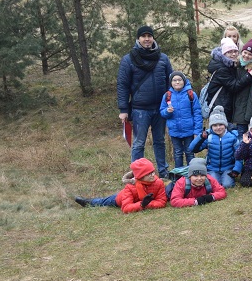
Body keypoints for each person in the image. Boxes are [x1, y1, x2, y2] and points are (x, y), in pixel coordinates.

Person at [117, 25, 173, 178]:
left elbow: (171, 82)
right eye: (144, 36)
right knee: (139, 143)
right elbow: (122, 85)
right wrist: (123, 110)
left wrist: (170, 102)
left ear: (153, 38)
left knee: (160, 141)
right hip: (139, 109)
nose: (147, 39)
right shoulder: (128, 59)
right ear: (138, 39)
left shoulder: (163, 58)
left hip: (160, 109)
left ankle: (163, 172)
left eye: (149, 36)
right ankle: (138, 175)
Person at [74, 158, 167, 213]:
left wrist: (147, 204)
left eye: (153, 172)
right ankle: (88, 202)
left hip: (135, 201)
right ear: (140, 176)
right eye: (148, 174)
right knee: (103, 201)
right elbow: (125, 208)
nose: (152, 175)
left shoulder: (158, 182)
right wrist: (142, 204)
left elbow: (162, 202)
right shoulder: (130, 187)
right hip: (120, 199)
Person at [206, 37, 252, 130]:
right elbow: (234, 86)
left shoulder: (230, 64)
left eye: (235, 51)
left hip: (225, 105)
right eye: (229, 52)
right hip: (220, 107)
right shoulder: (222, 69)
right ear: (224, 53)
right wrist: (249, 75)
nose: (233, 54)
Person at [190, 106, 242, 189]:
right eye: (215, 125)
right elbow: (193, 149)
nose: (218, 128)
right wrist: (201, 137)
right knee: (214, 185)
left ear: (225, 125)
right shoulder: (209, 137)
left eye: (221, 124)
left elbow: (239, 155)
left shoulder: (232, 137)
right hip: (212, 168)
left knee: (227, 185)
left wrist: (236, 170)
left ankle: (227, 178)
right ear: (211, 127)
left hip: (228, 168)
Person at [159, 71, 202, 168]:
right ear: (171, 82)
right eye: (174, 80)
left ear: (184, 81)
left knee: (189, 152)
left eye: (179, 80)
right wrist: (167, 111)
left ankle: (191, 172)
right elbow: (162, 112)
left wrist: (197, 131)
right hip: (174, 131)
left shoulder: (191, 94)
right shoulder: (167, 96)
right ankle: (178, 174)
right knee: (177, 153)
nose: (177, 82)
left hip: (189, 130)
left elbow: (197, 113)